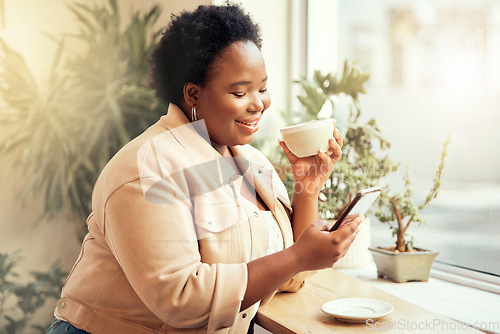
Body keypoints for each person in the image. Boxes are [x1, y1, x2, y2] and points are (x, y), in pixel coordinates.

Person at [47, 4, 363, 334]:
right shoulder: (145, 170)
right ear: (193, 94)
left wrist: (308, 188)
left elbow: (289, 274)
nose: (258, 103)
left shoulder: (250, 161)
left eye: (263, 88)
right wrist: (298, 257)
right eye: (240, 92)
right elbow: (183, 300)